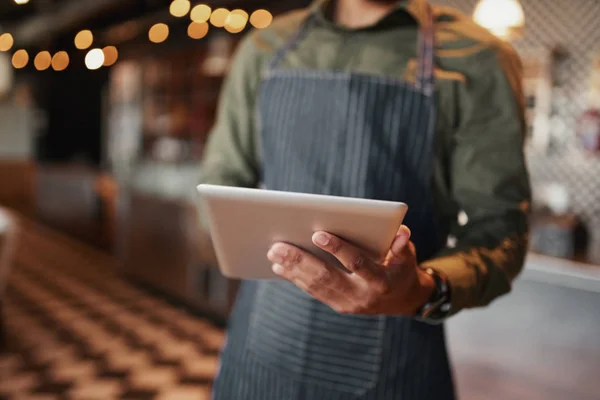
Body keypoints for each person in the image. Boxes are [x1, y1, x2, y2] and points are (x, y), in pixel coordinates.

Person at [199, 0, 531, 398]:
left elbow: (499, 231)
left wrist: (424, 288)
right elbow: (221, 185)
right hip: (262, 350)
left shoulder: (479, 58)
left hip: (397, 359)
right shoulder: (265, 47)